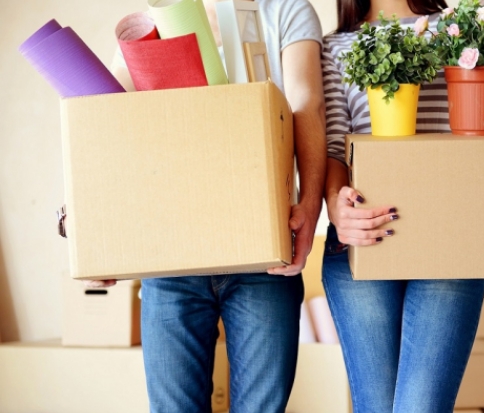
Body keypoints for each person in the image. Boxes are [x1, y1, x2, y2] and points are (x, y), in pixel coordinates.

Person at [87, 1, 326, 412]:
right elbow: (108, 119)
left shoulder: (283, 9)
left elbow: (308, 107)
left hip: (263, 254)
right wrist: (93, 225)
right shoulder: (154, 20)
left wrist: (309, 205)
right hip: (174, 256)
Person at [320, 0, 484, 412]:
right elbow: (334, 150)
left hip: (454, 247)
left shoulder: (462, 30)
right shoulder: (335, 46)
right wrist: (338, 212)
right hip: (366, 240)